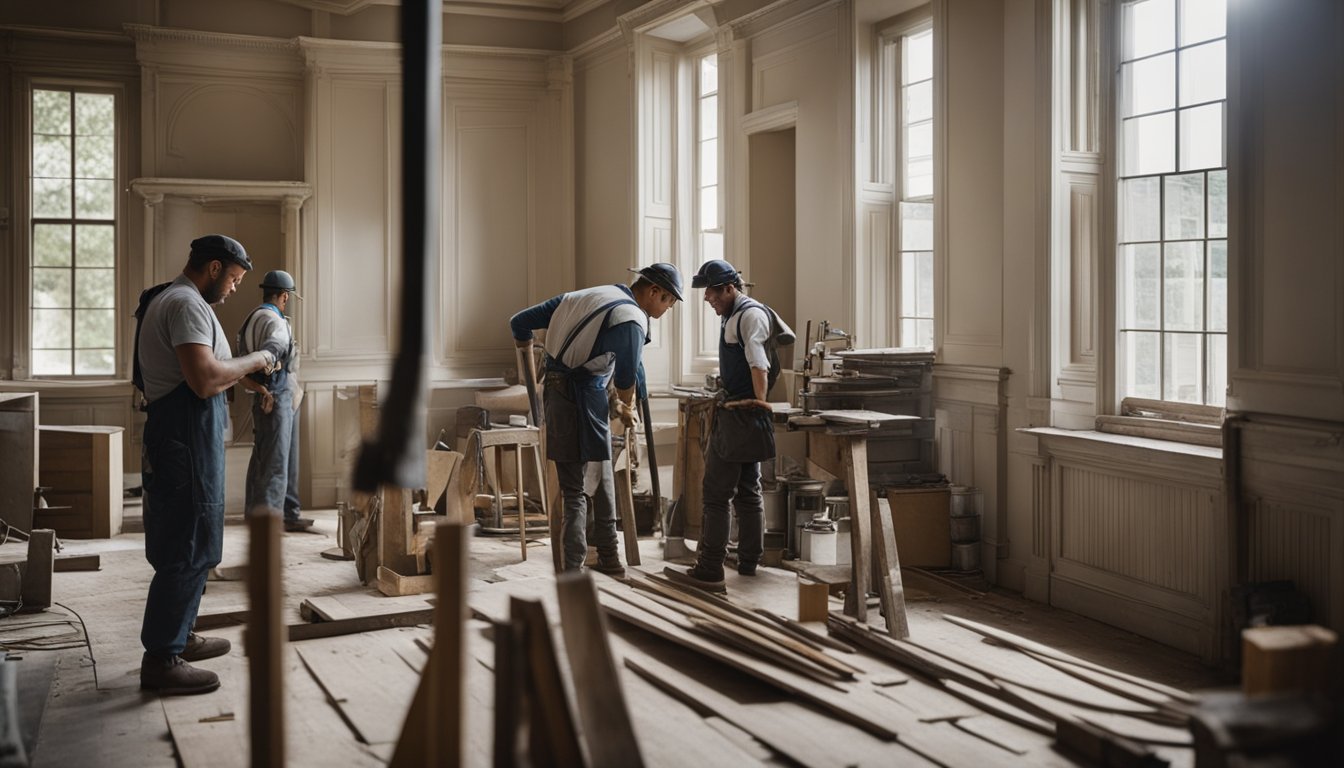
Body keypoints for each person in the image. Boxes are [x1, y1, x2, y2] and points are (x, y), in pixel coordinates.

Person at [133, 235, 280, 695]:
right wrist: (260, 358)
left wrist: (249, 381)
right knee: (187, 543)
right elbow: (203, 380)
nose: (235, 289)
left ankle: (181, 637)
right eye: (234, 279)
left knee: (196, 537)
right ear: (214, 268)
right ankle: (161, 659)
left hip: (182, 436)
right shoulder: (185, 303)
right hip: (183, 438)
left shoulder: (176, 299)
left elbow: (209, 366)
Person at [509, 264, 683, 575]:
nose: (668, 309)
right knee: (586, 487)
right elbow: (628, 376)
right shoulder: (631, 319)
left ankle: (592, 565)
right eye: (669, 302)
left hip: (556, 393)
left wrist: (527, 361)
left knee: (582, 486)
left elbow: (520, 323)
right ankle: (586, 568)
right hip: (586, 395)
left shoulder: (584, 296)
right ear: (654, 291)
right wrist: (626, 406)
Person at [666, 259, 794, 593]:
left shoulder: (748, 315)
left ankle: (710, 568)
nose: (708, 299)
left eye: (711, 292)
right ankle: (750, 560)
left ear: (729, 287)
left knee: (716, 493)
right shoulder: (735, 314)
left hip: (742, 414)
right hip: (745, 412)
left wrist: (757, 403)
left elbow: (758, 363)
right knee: (749, 490)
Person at [237, 270, 311, 532]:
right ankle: (267, 526)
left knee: (267, 459)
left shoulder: (253, 317)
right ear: (284, 296)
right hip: (275, 395)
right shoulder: (276, 322)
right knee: (275, 464)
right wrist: (268, 387)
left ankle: (283, 514)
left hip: (271, 393)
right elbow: (272, 352)